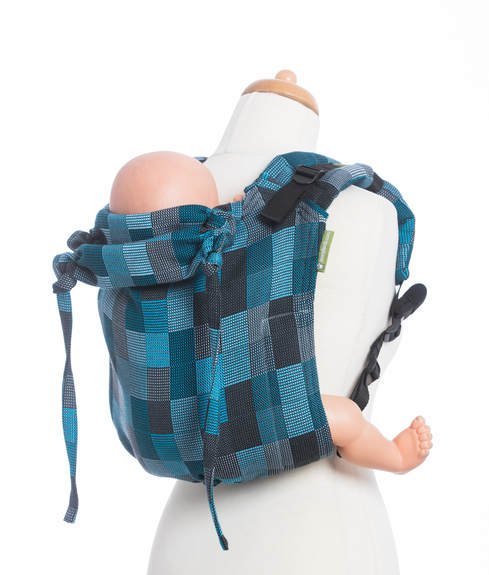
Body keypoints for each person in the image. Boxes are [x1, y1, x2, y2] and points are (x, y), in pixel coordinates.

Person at [109, 150, 432, 474]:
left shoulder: (119, 268)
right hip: (229, 432)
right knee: (346, 419)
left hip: (150, 442)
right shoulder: (215, 253)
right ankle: (395, 457)